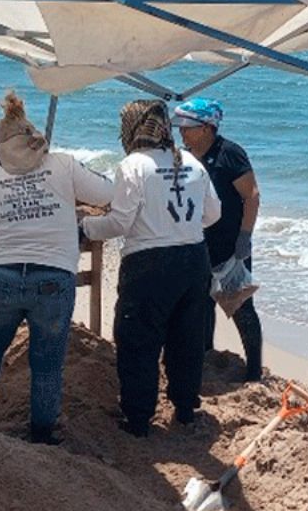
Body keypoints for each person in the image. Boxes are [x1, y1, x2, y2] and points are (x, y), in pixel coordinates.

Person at [0, 92, 114, 444]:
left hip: (3, 277)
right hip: (52, 278)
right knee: (46, 363)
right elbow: (107, 193)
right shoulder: (62, 164)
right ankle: (41, 434)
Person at [82, 99, 220, 437]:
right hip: (193, 259)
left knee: (138, 341)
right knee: (186, 338)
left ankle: (139, 418)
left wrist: (85, 226)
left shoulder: (133, 165)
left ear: (131, 130)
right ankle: (185, 408)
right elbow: (212, 214)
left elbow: (120, 222)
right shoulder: (191, 162)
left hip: (149, 264)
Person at [175, 98, 264, 382]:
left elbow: (252, 195)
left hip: (230, 246)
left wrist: (245, 237)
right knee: (201, 305)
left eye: (187, 127)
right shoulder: (185, 156)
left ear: (206, 128)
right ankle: (207, 356)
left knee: (239, 307)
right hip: (197, 244)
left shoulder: (229, 154)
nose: (182, 132)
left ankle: (253, 371)